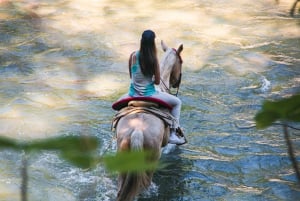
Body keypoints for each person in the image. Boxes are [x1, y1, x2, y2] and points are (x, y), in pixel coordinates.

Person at [120, 30, 186, 145]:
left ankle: (116, 133)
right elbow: (156, 82)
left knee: (117, 109)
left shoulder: (132, 56)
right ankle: (173, 134)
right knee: (177, 102)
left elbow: (132, 76)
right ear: (152, 43)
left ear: (141, 41)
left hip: (132, 94)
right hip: (150, 94)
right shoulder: (154, 59)